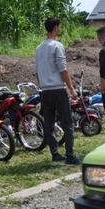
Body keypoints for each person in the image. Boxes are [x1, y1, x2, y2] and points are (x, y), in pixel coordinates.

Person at [34, 17, 81, 165]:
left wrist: (43, 85)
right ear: (55, 28)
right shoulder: (57, 45)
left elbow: (37, 72)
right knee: (67, 123)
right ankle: (70, 155)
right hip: (58, 89)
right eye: (59, 27)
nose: (59, 29)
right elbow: (63, 69)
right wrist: (72, 88)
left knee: (49, 124)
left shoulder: (39, 48)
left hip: (45, 90)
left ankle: (55, 154)